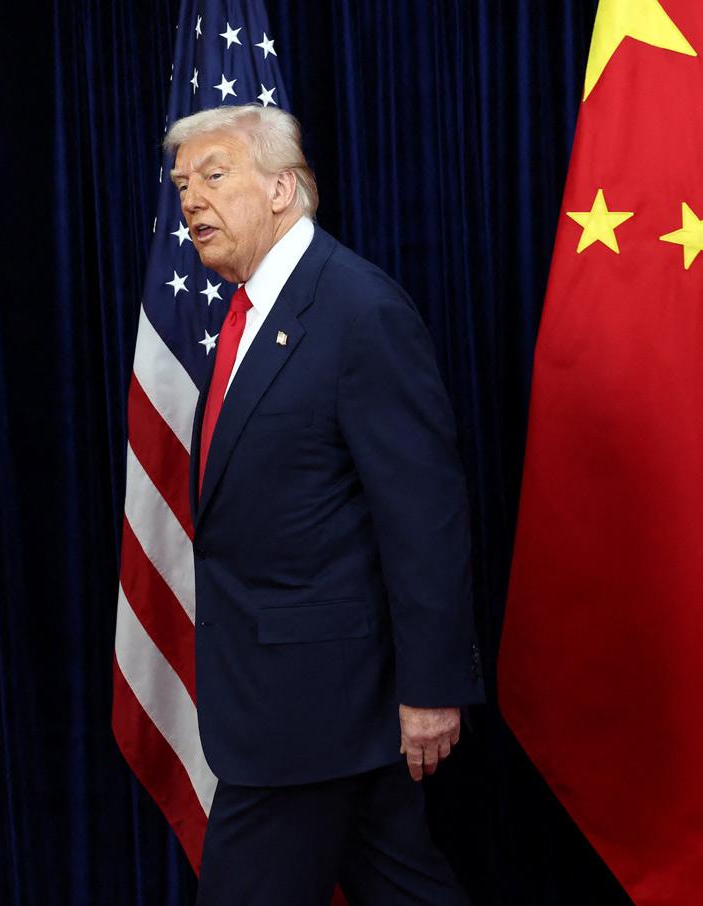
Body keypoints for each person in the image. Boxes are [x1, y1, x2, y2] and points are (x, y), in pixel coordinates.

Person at [165, 104, 483, 905]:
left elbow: (425, 515)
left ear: (281, 188)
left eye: (212, 175)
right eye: (180, 186)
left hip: (310, 710)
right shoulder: (249, 316)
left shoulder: (356, 310)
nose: (190, 201)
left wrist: (432, 686)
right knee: (403, 882)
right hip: (303, 700)